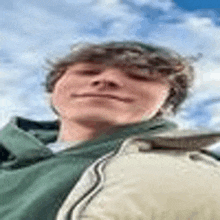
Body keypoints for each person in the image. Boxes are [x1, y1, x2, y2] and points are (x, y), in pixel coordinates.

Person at [1, 41, 220, 220]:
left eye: (139, 76)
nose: (106, 80)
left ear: (167, 102)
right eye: (88, 71)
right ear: (53, 89)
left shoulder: (208, 172)